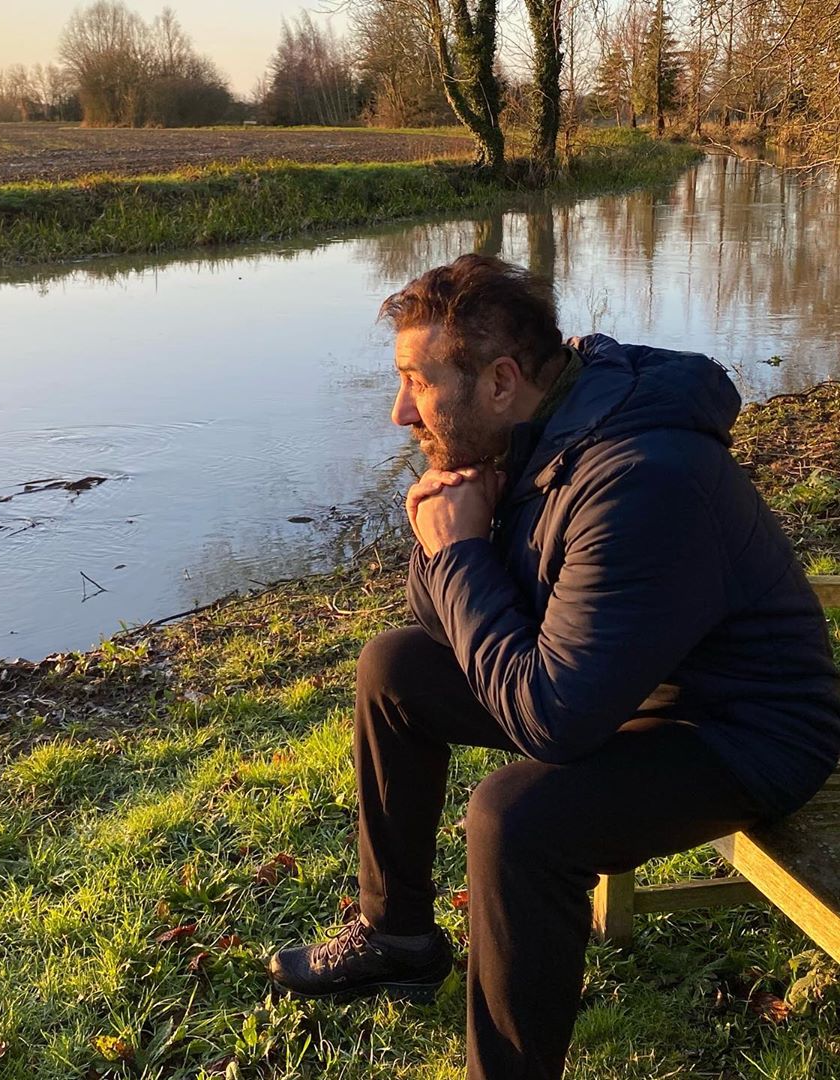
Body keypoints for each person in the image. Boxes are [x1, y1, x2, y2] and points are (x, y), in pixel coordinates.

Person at [268, 254, 840, 1080]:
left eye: (417, 383)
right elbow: (442, 622)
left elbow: (555, 721)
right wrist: (452, 530)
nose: (399, 412)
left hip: (744, 731)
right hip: (628, 679)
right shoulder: (532, 434)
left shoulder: (640, 481)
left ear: (501, 380)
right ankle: (398, 937)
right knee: (394, 668)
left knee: (517, 819)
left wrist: (463, 549)